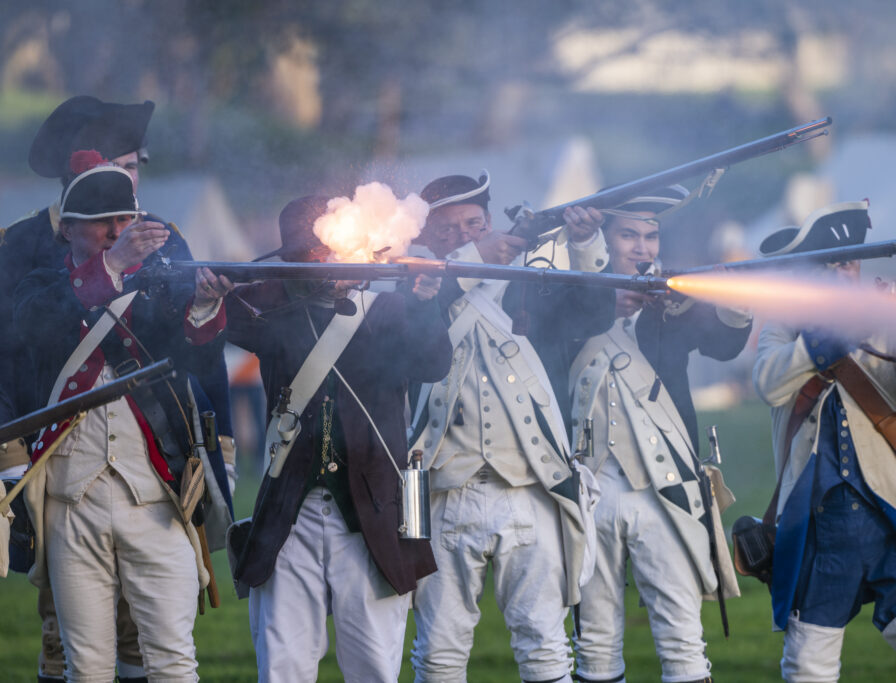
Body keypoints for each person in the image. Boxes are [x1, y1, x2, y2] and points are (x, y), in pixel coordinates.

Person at [0, 95, 235, 683]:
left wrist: (206, 307)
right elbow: (16, 344)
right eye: (119, 167)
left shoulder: (158, 236)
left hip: (151, 461)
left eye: (134, 168)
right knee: (72, 646)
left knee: (162, 648)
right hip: (56, 460)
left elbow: (188, 355)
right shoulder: (24, 249)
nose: (130, 192)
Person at [225, 195, 452, 682]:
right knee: (283, 666)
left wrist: (425, 301)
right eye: (319, 256)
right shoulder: (277, 309)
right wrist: (211, 290)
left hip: (371, 509)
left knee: (374, 665)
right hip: (291, 510)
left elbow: (433, 362)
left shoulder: (391, 310)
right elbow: (217, 318)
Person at [408, 172, 615, 683]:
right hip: (440, 495)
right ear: (428, 238)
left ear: (492, 221)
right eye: (449, 230)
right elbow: (406, 334)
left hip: (531, 485)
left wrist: (586, 240)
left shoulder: (528, 281)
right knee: (438, 654)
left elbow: (594, 311)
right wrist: (474, 260)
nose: (464, 236)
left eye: (474, 224)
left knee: (545, 645)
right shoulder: (412, 286)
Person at [752, 201, 896, 683]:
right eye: (826, 266)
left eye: (846, 262)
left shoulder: (893, 316)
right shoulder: (788, 326)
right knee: (809, 664)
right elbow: (768, 383)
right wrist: (821, 341)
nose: (839, 274)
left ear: (860, 265)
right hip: (819, 524)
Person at [567, 186, 748, 683]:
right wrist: (599, 281)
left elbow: (724, 344)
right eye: (629, 234)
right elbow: (565, 317)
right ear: (603, 237)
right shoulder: (568, 296)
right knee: (595, 648)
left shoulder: (673, 297)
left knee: (682, 639)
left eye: (650, 235)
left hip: (665, 488)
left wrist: (737, 297)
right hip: (591, 487)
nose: (643, 247)